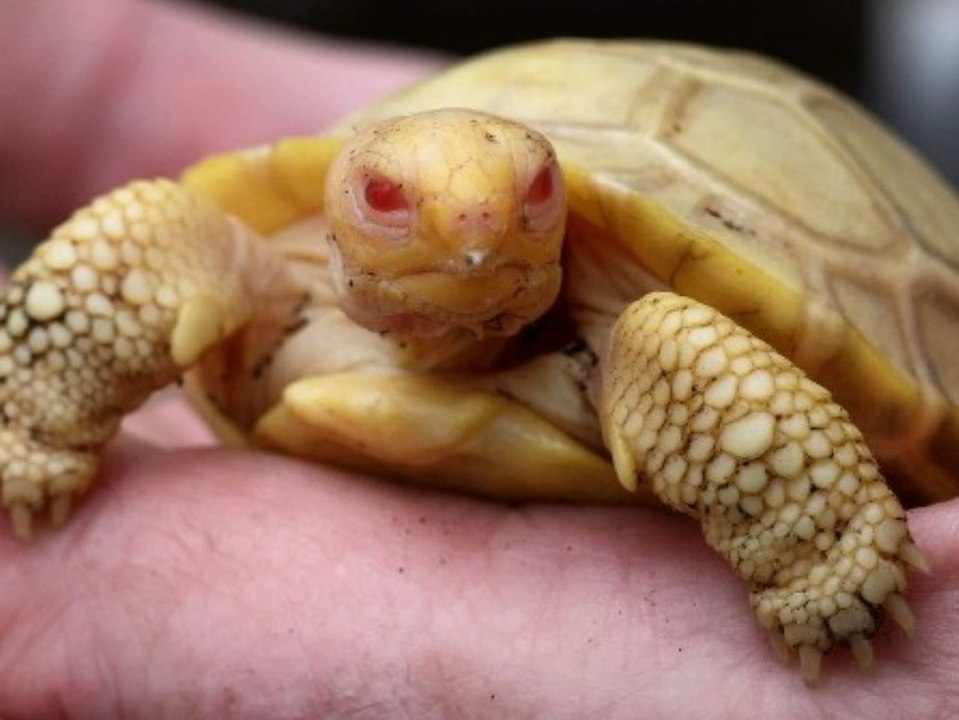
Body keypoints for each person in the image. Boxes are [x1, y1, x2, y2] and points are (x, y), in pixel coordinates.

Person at [1, 2, 957, 717]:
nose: (474, 231)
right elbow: (146, 245)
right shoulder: (255, 275)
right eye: (384, 199)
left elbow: (698, 357)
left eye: (531, 197)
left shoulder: (659, 339)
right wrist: (33, 416)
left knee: (675, 347)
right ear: (336, 209)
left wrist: (824, 565)